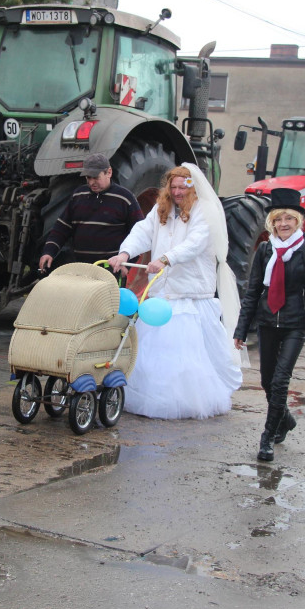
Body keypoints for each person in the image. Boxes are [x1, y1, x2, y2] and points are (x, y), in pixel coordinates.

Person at [108, 164, 243, 419]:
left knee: (184, 358)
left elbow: (196, 243)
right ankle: (147, 397)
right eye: (174, 187)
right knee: (151, 355)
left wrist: (166, 258)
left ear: (192, 188)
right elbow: (143, 232)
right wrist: (125, 252)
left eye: (183, 187)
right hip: (160, 294)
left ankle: (182, 401)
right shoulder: (162, 209)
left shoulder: (203, 211)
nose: (178, 192)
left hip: (188, 292)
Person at [233, 187, 305, 462]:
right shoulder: (265, 250)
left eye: (288, 219)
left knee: (280, 381)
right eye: (278, 219)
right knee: (266, 380)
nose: (283, 224)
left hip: (296, 324)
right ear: (271, 222)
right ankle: (284, 418)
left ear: (298, 221)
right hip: (266, 322)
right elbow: (252, 292)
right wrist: (241, 330)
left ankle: (267, 437)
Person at [39, 152, 143, 272]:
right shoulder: (78, 195)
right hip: (82, 268)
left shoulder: (125, 198)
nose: (92, 182)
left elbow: (139, 234)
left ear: (109, 172)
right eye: (88, 178)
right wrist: (49, 251)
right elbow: (62, 228)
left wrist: (127, 264)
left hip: (110, 269)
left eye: (96, 177)